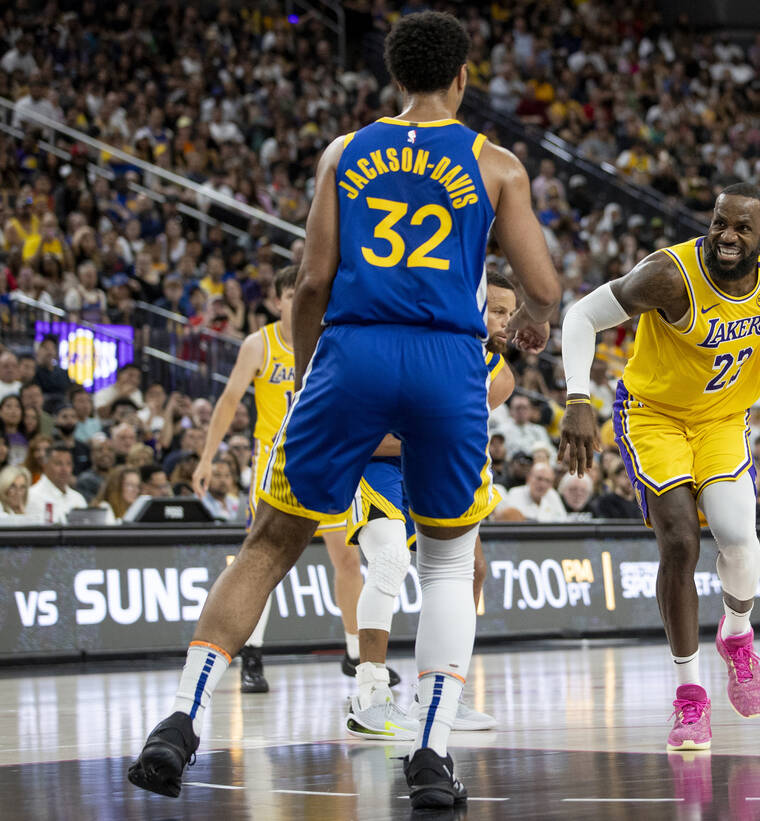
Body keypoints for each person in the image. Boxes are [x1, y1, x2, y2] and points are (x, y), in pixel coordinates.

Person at [128, 11, 560, 808]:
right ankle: (430, 755)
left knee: (266, 543)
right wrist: (531, 319)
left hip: (351, 351)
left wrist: (304, 373)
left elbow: (309, 285)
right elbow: (545, 285)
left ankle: (179, 723)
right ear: (463, 78)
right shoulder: (496, 165)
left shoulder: (345, 152)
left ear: (395, 79)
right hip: (446, 359)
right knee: (447, 562)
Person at [559, 182, 760, 750]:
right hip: (653, 416)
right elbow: (579, 317)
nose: (726, 235)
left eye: (742, 227)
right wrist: (578, 399)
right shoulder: (667, 275)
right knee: (679, 542)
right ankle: (690, 698)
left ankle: (738, 636)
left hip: (723, 420)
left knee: (739, 540)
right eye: (720, 222)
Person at [189, 266, 382, 694]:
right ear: (279, 301)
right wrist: (206, 458)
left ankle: (354, 655)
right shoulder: (260, 344)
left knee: (348, 560)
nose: (301, 302)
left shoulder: (331, 340)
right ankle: (252, 656)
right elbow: (227, 402)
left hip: (328, 458)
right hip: (276, 462)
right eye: (292, 295)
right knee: (263, 562)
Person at [343, 272, 517, 740]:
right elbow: (364, 433)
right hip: (376, 466)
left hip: (429, 468)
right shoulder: (419, 342)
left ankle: (441, 693)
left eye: (510, 313)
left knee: (472, 571)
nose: (506, 322)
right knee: (390, 561)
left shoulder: (499, 376)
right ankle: (369, 693)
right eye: (497, 310)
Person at [26, 444, 87, 524]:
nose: (64, 469)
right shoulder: (32, 496)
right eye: (58, 463)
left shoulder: (78, 499)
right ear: (45, 465)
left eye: (68, 464)